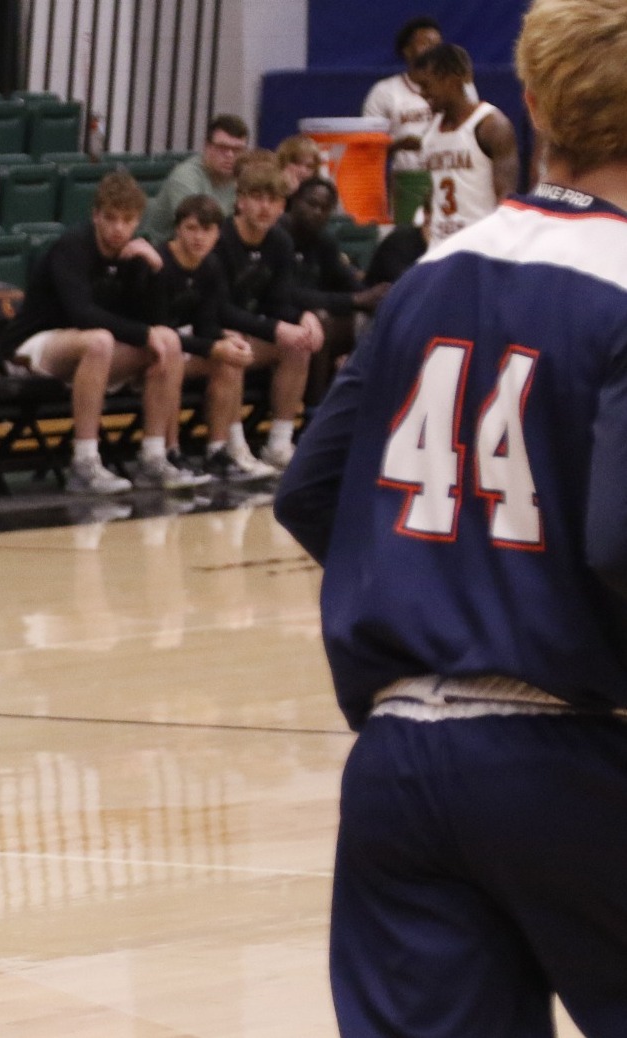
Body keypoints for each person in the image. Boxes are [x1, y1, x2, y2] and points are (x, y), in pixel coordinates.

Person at [276, 3, 627, 1033]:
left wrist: (438, 580)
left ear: (538, 102)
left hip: (398, 761)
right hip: (573, 756)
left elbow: (309, 489)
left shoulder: (429, 279)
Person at [0, 171, 200, 493]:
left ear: (138, 221)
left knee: (170, 340)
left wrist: (156, 270)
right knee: (101, 340)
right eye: (111, 218)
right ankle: (84, 462)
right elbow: (83, 314)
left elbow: (156, 319)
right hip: (34, 344)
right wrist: (144, 334)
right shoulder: (72, 246)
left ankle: (154, 458)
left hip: (91, 349)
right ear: (95, 216)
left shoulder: (134, 254)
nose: (119, 228)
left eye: (128, 220)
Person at [211, 155, 324, 470]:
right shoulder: (220, 238)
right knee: (235, 345)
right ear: (240, 201)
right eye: (257, 197)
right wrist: (275, 328)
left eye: (273, 200)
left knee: (297, 345)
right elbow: (218, 309)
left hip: (247, 330)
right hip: (206, 330)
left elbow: (278, 302)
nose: (265, 207)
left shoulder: (280, 241)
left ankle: (279, 443)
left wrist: (304, 316)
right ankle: (234, 447)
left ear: (282, 205)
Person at [152, 193, 273, 482]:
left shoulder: (211, 266)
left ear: (217, 233)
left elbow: (206, 324)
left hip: (181, 342)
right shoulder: (159, 263)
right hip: (149, 346)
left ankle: (218, 450)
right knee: (177, 356)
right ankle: (170, 451)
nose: (198, 238)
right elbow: (157, 328)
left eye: (206, 230)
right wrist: (212, 346)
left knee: (229, 356)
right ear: (177, 228)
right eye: (192, 228)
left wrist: (223, 342)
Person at [281, 176, 388, 385]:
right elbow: (288, 294)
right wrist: (355, 299)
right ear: (294, 201)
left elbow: (349, 283)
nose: (318, 212)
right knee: (321, 320)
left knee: (379, 313)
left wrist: (376, 298)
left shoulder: (324, 240)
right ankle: (316, 407)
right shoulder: (278, 235)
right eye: (312, 204)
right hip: (278, 314)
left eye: (325, 208)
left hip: (314, 314)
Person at [415, 42, 518, 249]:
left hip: (481, 248)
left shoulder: (491, 125)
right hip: (440, 249)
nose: (422, 93)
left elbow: (506, 198)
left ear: (451, 80)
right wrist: (427, 224)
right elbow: (431, 190)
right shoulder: (430, 132)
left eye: (427, 85)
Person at [361, 15, 450, 229]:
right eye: (425, 43)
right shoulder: (385, 92)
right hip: (406, 181)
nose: (433, 50)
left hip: (448, 176)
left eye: (437, 45)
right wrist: (399, 145)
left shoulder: (455, 87)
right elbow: (367, 152)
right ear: (407, 50)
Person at [141, 113, 249, 241]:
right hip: (166, 254)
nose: (230, 155)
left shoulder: (244, 177)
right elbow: (198, 229)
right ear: (206, 147)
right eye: (222, 148)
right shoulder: (185, 176)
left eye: (237, 150)